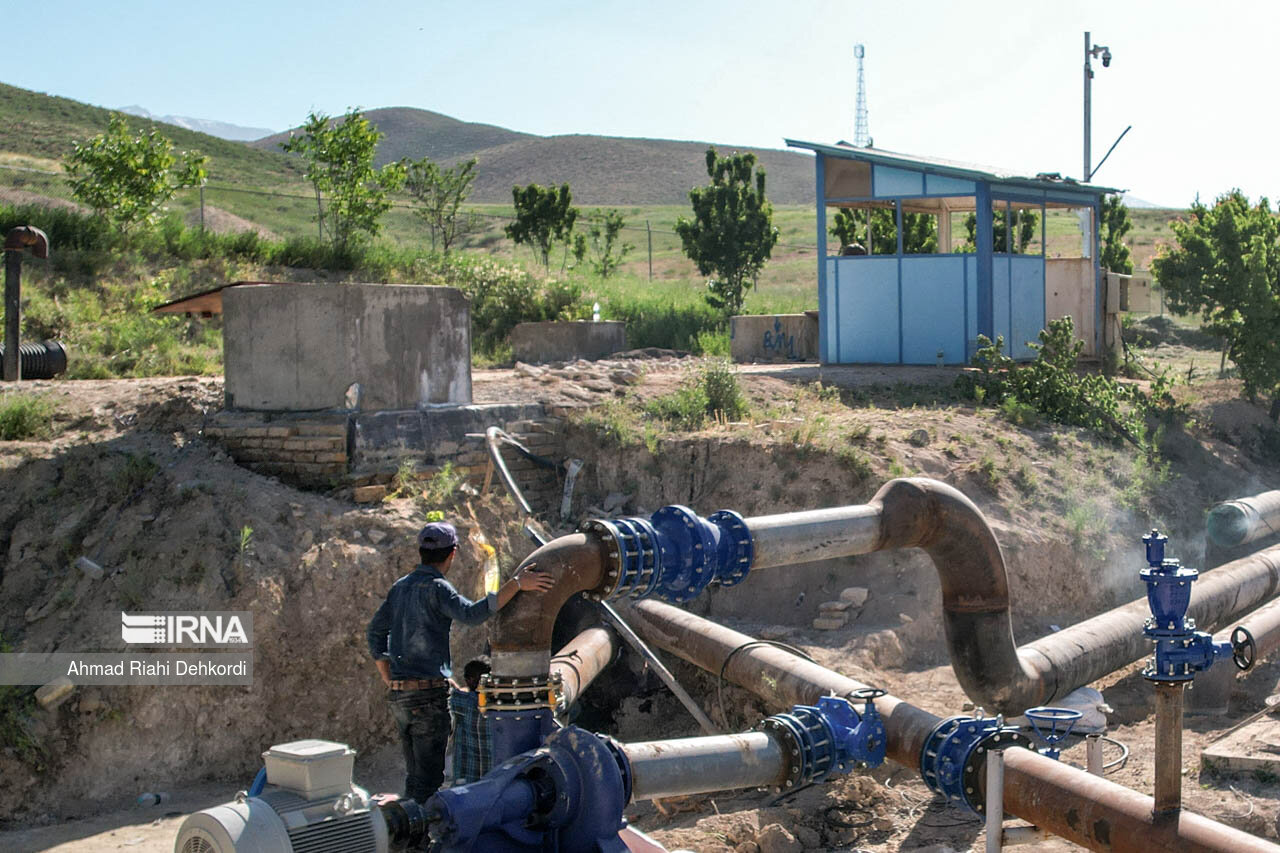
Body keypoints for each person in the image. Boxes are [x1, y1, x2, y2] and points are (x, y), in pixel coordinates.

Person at [366, 521, 553, 802]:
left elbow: (375, 632)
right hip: (428, 698)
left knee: (415, 777)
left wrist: (387, 674)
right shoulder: (438, 588)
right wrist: (517, 584)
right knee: (428, 783)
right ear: (452, 554)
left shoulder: (400, 588)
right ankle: (420, 840)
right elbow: (472, 614)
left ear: (421, 552)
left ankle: (407, 834)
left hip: (401, 697)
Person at [444, 657, 492, 787]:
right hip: (494, 781)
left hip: (467, 781)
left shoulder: (462, 703)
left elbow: (449, 689)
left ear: (468, 680)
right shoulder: (498, 706)